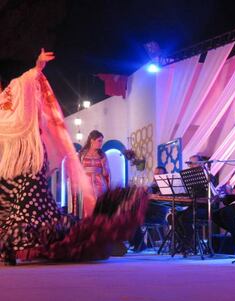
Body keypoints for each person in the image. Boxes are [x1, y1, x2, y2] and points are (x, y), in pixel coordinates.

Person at [0, 49, 147, 265]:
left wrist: (38, 66)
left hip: (29, 161)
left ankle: (93, 236)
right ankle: (15, 247)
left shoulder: (11, 95)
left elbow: (28, 80)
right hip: (8, 169)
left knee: (30, 208)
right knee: (11, 207)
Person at [129, 166, 170, 251]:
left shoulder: (167, 188)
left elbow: (164, 202)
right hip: (148, 212)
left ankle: (139, 245)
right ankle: (137, 244)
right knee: (129, 216)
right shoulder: (151, 186)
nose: (156, 176)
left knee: (135, 218)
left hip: (158, 214)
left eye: (159, 174)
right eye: (155, 174)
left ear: (165, 175)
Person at [79, 130, 111, 199]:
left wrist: (103, 165)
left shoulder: (102, 154)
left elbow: (105, 174)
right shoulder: (82, 154)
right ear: (92, 140)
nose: (101, 143)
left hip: (99, 184)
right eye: (99, 141)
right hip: (86, 184)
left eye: (101, 141)